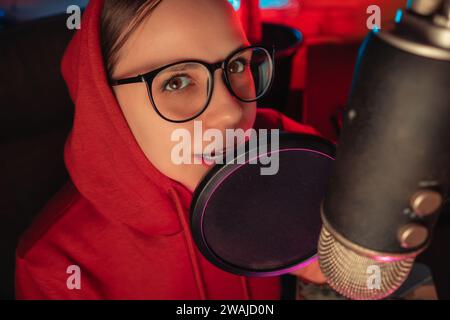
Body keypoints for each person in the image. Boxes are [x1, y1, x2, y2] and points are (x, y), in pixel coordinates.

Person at [15, 0, 324, 299]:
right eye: (176, 81)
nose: (231, 112)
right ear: (104, 102)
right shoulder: (56, 271)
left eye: (237, 64)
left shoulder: (282, 150)